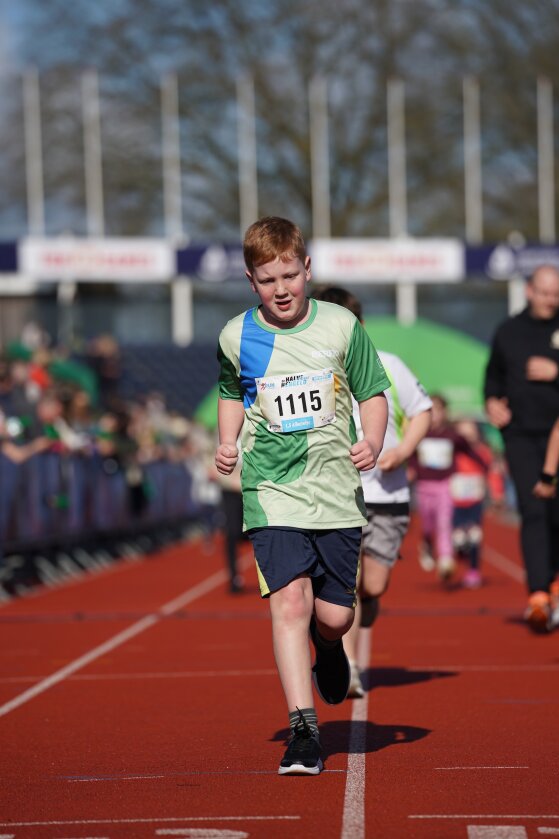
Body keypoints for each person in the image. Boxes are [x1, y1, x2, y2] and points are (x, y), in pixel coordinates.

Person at [215, 217, 389, 775]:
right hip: (272, 490)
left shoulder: (341, 325)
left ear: (307, 269)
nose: (282, 289)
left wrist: (373, 440)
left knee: (334, 616)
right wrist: (227, 441)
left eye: (289, 276)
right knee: (290, 602)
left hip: (335, 489)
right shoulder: (236, 336)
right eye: (268, 281)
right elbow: (230, 392)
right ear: (251, 281)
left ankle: (329, 647)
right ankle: (303, 730)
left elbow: (373, 392)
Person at [312, 285, 432, 698]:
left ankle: (355, 619)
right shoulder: (311, 369)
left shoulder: (389, 364)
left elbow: (422, 412)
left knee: (373, 587)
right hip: (339, 496)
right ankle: (349, 666)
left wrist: (402, 450)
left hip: (388, 496)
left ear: (359, 326)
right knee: (348, 582)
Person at [484, 264, 559, 633]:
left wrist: (556, 371)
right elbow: (492, 379)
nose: (551, 300)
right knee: (533, 510)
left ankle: (554, 581)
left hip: (558, 432)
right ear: (530, 291)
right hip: (521, 436)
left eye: (556, 294)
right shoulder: (508, 331)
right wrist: (491, 403)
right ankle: (538, 594)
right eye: (545, 292)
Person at [451, 418, 505, 589]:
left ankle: (474, 570)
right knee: (459, 538)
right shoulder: (453, 453)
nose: (467, 435)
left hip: (475, 501)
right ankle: (460, 553)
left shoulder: (483, 452)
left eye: (470, 430)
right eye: (462, 431)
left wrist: (497, 494)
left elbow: (493, 474)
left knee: (475, 536)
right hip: (455, 502)